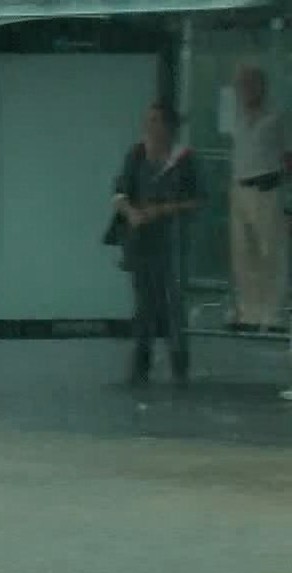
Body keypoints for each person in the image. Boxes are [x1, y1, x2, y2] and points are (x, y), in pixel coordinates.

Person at [111, 100, 203, 387]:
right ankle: (141, 361)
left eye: (155, 121)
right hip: (141, 239)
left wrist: (160, 210)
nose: (148, 126)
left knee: (173, 301)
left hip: (171, 239)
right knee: (144, 302)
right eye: (148, 120)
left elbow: (198, 199)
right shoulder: (136, 154)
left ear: (169, 126)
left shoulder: (184, 159)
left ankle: (179, 363)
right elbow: (119, 191)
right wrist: (131, 212)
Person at [225, 61, 288, 332]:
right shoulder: (235, 117)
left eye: (251, 83)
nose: (246, 89)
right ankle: (249, 313)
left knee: (271, 253)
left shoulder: (276, 117)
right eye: (242, 84)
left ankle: (272, 315)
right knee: (243, 253)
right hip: (240, 189)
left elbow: (288, 155)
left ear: (262, 86)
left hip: (267, 189)